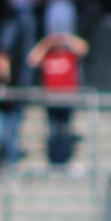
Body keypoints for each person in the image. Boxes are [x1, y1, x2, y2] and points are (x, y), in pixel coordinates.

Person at [27, 31, 87, 168]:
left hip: (67, 100)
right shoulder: (48, 57)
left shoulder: (69, 56)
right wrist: (48, 42)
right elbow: (32, 59)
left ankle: (65, 160)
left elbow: (84, 47)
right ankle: (54, 161)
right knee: (53, 132)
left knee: (65, 131)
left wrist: (66, 38)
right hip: (51, 102)